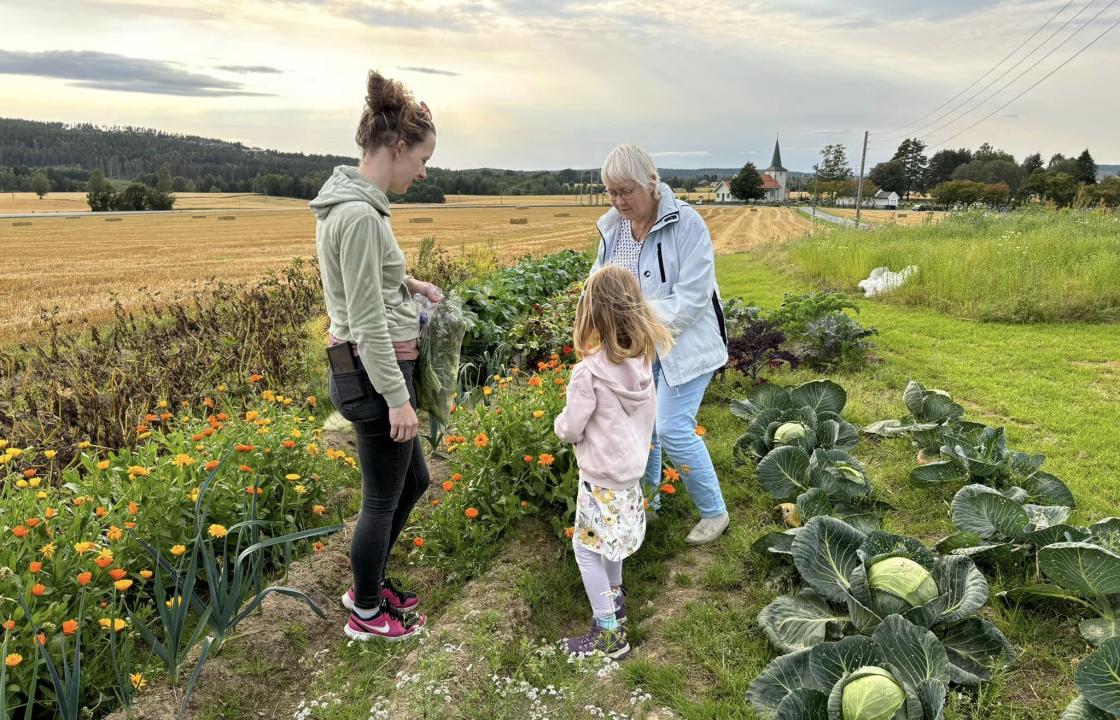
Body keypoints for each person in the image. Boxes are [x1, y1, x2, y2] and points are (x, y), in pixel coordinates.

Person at [310, 70, 442, 641]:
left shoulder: (355, 205)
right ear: (396, 147)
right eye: (422, 157)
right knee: (384, 496)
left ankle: (370, 581)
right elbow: (364, 320)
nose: (424, 169)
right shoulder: (361, 216)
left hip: (375, 367)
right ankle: (365, 610)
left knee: (413, 482)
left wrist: (410, 285)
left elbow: (363, 284)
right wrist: (398, 400)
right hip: (374, 373)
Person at [590, 144, 730, 545]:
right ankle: (649, 502)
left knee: (671, 427)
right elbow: (600, 282)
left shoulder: (687, 224)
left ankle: (714, 512)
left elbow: (693, 297)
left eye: (626, 191)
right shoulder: (614, 228)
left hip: (685, 345)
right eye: (611, 193)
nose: (618, 201)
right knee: (640, 426)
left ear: (652, 183)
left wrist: (634, 320)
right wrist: (595, 316)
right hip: (637, 345)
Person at [554, 265, 672, 659]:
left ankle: (608, 633)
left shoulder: (588, 374)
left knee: (587, 550)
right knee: (613, 543)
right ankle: (616, 602)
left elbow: (571, 428)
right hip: (629, 476)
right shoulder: (641, 364)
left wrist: (559, 424)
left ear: (593, 312)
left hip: (599, 478)